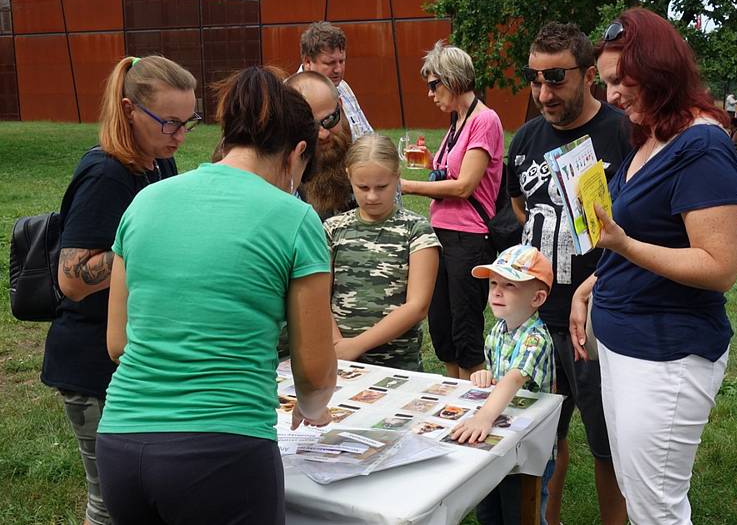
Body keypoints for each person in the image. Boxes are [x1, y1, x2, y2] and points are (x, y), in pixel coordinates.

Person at [95, 66, 338, 524]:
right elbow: (314, 369)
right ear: (298, 152)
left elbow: (118, 343)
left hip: (122, 445)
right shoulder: (295, 218)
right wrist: (313, 409)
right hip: (223, 450)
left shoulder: (145, 202)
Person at [571, 8, 737, 524]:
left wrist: (620, 246)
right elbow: (648, 237)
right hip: (626, 341)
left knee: (657, 508)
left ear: (660, 69)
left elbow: (718, 265)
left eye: (620, 80)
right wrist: (590, 286)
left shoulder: (703, 145)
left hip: (667, 352)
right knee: (635, 489)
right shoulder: (651, 134)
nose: (612, 96)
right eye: (605, 83)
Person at [39, 55, 197, 525]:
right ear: (130, 110)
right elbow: (72, 279)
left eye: (188, 123)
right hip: (91, 367)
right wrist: (144, 243)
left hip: (130, 357)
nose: (179, 136)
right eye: (169, 122)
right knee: (111, 505)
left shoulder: (158, 163)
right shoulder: (106, 173)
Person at [506, 22, 629, 524]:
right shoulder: (527, 137)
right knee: (538, 439)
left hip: (599, 319)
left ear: (586, 75)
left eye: (555, 78)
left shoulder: (622, 133)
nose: (543, 92)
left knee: (607, 445)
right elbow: (519, 206)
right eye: (534, 79)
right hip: (535, 321)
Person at [401, 40, 504, 380]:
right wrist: (431, 163)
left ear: (454, 79)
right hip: (442, 233)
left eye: (434, 85)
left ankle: (473, 404)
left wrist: (406, 186)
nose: (430, 93)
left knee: (465, 331)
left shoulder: (484, 120)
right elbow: (450, 173)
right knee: (442, 329)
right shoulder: (457, 122)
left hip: (468, 238)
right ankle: (451, 401)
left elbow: (464, 186)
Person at [450, 244, 555, 525]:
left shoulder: (536, 339)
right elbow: (499, 374)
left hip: (527, 446)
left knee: (520, 513)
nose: (496, 291)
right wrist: (484, 375)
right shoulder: (500, 328)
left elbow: (513, 378)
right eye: (494, 283)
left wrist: (483, 417)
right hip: (502, 438)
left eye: (509, 285)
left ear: (537, 298)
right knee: (489, 510)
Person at [325, 134, 440, 371]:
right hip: (338, 361)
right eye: (363, 187)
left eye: (382, 187)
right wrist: (337, 344)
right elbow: (318, 296)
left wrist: (354, 346)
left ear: (397, 177)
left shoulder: (416, 230)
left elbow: (417, 306)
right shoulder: (332, 229)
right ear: (348, 176)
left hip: (398, 365)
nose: (372, 196)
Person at [286, 70, 356, 220]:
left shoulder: (365, 161)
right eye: (312, 127)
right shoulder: (282, 188)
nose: (323, 135)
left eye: (330, 119)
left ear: (341, 107)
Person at [300, 21, 373, 140]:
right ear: (307, 62)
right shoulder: (291, 97)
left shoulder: (343, 86)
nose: (338, 70)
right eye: (330, 63)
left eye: (342, 61)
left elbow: (368, 136)